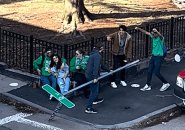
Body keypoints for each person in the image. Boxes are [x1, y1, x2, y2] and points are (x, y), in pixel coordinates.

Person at [135, 27, 170, 91]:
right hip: (153, 56)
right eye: (152, 34)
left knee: (156, 72)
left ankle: (166, 83)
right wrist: (138, 28)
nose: (153, 35)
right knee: (149, 71)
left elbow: (161, 36)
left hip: (159, 57)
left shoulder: (160, 39)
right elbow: (145, 32)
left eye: (154, 34)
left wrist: (156, 31)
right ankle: (148, 85)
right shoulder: (153, 37)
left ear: (157, 34)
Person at [84, 42, 105, 114]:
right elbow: (96, 67)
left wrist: (109, 70)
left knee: (95, 88)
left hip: (88, 74)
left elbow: (100, 64)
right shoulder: (97, 56)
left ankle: (95, 99)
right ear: (101, 48)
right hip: (92, 76)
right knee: (94, 91)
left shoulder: (93, 54)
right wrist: (95, 77)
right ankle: (88, 108)